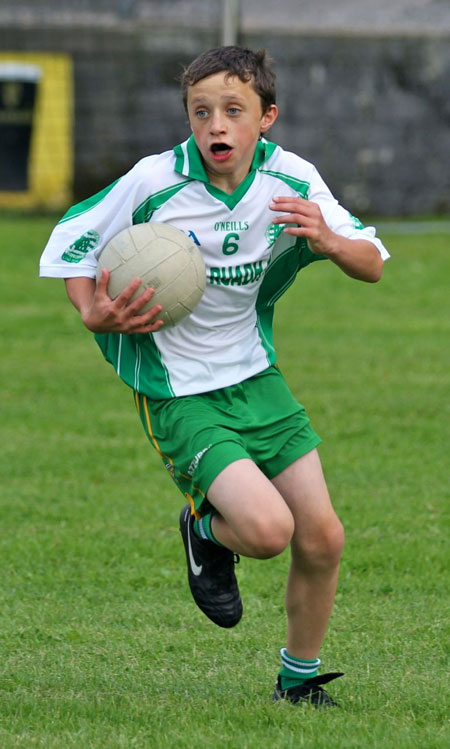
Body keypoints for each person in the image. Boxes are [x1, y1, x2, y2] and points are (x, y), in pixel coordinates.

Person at [40, 46, 389, 708]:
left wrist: (330, 239)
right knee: (265, 530)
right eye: (201, 112)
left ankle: (298, 681)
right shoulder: (154, 182)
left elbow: (371, 261)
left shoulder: (292, 181)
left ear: (268, 118)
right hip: (177, 388)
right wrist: (95, 311)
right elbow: (71, 241)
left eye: (234, 110)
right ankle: (204, 529)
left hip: (257, 376)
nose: (216, 126)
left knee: (324, 536)